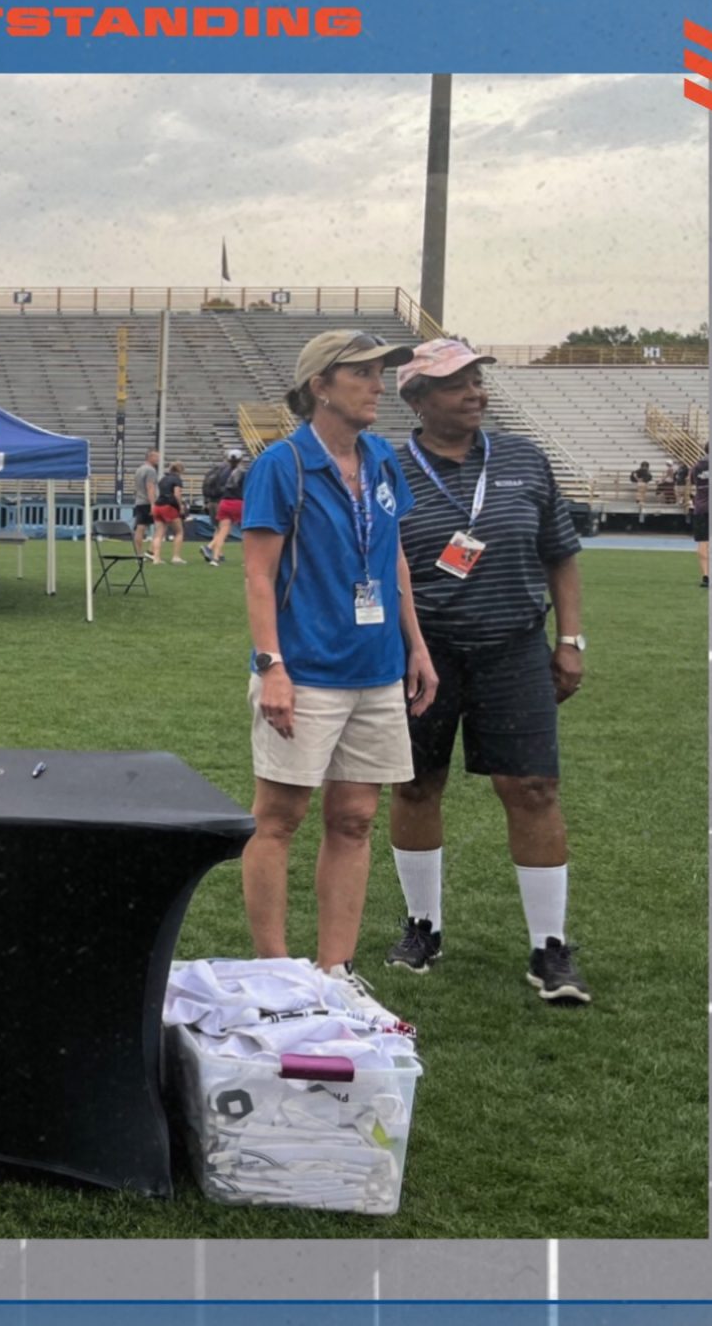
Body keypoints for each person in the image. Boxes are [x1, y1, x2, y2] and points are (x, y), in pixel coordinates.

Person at [380, 340, 590, 1003]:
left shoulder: (524, 458)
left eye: (477, 380)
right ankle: (423, 927)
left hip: (514, 646)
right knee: (416, 785)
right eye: (456, 384)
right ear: (417, 400)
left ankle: (550, 946)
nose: (475, 392)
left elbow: (560, 553)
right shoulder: (386, 468)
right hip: (421, 651)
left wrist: (571, 639)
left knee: (533, 788)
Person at [240, 330, 437, 988]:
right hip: (305, 672)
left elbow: (393, 555)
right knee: (279, 820)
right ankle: (274, 970)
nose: (379, 385)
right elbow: (258, 575)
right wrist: (271, 666)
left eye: (380, 373)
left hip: (376, 670)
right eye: (362, 373)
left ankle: (336, 970)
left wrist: (415, 645)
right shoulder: (282, 465)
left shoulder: (380, 458)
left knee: (354, 820)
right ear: (319, 386)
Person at [202, 448, 247, 565]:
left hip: (225, 502)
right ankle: (246, 560)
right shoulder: (243, 472)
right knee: (245, 532)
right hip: (239, 502)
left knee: (222, 532)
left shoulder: (222, 473)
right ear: (241, 459)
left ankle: (215, 558)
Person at [150, 457, 188, 565]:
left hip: (158, 506)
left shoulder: (163, 479)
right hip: (169, 506)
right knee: (179, 532)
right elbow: (177, 494)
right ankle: (176, 557)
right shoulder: (177, 480)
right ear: (180, 470)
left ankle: (156, 558)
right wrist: (180, 507)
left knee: (159, 533)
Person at [129, 448, 161, 558]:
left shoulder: (139, 469)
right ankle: (151, 551)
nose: (158, 459)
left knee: (140, 527)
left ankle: (138, 553)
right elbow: (150, 487)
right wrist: (153, 504)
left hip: (139, 501)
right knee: (160, 527)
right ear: (150, 457)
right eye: (156, 456)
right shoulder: (151, 470)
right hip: (147, 501)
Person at [691, 446, 709, 587]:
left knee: (703, 541)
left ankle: (706, 576)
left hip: (701, 508)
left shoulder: (697, 466)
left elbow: (693, 482)